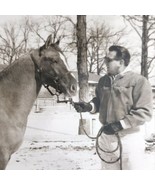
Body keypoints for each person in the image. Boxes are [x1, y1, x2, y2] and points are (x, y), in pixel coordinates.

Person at [74, 45, 153, 170]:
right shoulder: (103, 81)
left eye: (109, 60)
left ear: (121, 62)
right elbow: (100, 102)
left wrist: (120, 124)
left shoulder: (139, 81)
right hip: (106, 137)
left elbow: (144, 112)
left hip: (129, 139)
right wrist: (89, 106)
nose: (105, 62)